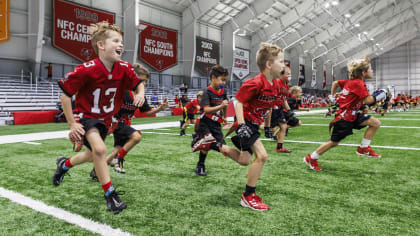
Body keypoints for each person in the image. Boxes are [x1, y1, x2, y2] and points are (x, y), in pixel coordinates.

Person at [51, 21, 145, 214]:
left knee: (92, 154)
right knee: (101, 150)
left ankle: (64, 164)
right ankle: (110, 195)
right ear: (101, 45)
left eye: (122, 41)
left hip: (106, 120)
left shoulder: (125, 68)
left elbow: (138, 84)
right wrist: (72, 123)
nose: (121, 45)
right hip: (87, 116)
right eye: (115, 41)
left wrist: (140, 93)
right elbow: (66, 94)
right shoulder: (87, 69)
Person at [304, 56, 388, 171]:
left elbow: (336, 83)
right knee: (333, 142)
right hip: (345, 118)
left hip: (352, 115)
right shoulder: (358, 83)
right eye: (370, 69)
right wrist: (381, 94)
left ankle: (363, 148)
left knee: (375, 123)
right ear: (363, 72)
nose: (372, 71)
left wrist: (333, 96)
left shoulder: (351, 82)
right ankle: (311, 158)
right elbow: (368, 100)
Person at [230, 42, 285, 211]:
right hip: (246, 123)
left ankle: (216, 146)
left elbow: (267, 108)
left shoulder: (276, 85)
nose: (284, 65)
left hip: (254, 124)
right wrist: (242, 125)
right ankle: (247, 197)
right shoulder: (254, 83)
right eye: (281, 61)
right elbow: (238, 102)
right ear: (269, 64)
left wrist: (266, 126)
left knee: (244, 160)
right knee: (262, 156)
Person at [90, 63, 168, 176]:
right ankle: (119, 160)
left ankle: (97, 171)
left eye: (145, 81)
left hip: (124, 123)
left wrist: (160, 108)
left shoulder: (141, 96)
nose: (144, 84)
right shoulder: (123, 91)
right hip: (114, 122)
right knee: (136, 137)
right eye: (142, 80)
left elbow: (147, 112)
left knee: (116, 151)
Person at [191, 65, 251, 177]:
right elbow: (206, 110)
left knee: (221, 146)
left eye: (225, 80)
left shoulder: (223, 91)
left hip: (216, 124)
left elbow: (225, 105)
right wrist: (221, 106)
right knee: (209, 143)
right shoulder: (206, 92)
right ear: (213, 77)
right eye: (222, 80)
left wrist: (225, 118)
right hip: (205, 122)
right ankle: (200, 164)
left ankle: (199, 140)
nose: (224, 82)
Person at [266, 66, 293, 153]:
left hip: (280, 109)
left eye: (290, 74)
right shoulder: (277, 83)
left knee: (283, 126)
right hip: (273, 108)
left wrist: (289, 110)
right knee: (271, 128)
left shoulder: (286, 86)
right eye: (287, 74)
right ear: (281, 74)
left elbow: (284, 99)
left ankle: (279, 147)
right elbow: (270, 96)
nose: (289, 75)